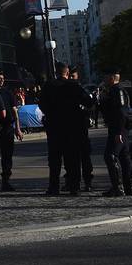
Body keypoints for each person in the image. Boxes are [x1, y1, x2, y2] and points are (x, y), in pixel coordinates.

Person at [41, 65, 88, 196]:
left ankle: (54, 187)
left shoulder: (48, 85)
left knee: (55, 160)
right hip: (72, 127)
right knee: (72, 158)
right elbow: (88, 101)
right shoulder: (74, 85)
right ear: (67, 73)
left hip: (54, 127)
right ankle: (74, 186)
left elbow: (41, 104)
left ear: (56, 73)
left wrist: (50, 113)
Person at [100, 70, 132, 196]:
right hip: (119, 128)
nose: (103, 79)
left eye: (105, 76)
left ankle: (118, 187)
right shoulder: (115, 90)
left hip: (118, 128)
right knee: (124, 156)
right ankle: (129, 186)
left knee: (111, 156)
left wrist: (118, 132)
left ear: (111, 78)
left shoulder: (117, 90)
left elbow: (120, 113)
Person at [0, 71, 23, 192]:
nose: (1, 80)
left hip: (7, 128)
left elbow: (15, 111)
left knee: (7, 156)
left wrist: (18, 128)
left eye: (2, 78)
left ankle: (6, 180)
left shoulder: (8, 93)